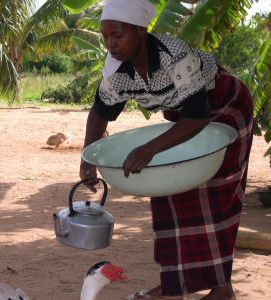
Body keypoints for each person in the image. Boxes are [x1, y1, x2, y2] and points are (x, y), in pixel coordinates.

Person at [79, 0, 253, 299]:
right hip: (183, 118)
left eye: (118, 35)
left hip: (224, 105)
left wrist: (149, 150)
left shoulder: (175, 55)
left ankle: (221, 289)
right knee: (168, 196)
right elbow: (100, 111)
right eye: (105, 36)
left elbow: (198, 115)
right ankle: (175, 286)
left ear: (140, 32)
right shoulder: (117, 70)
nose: (111, 43)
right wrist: (87, 157)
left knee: (214, 196)